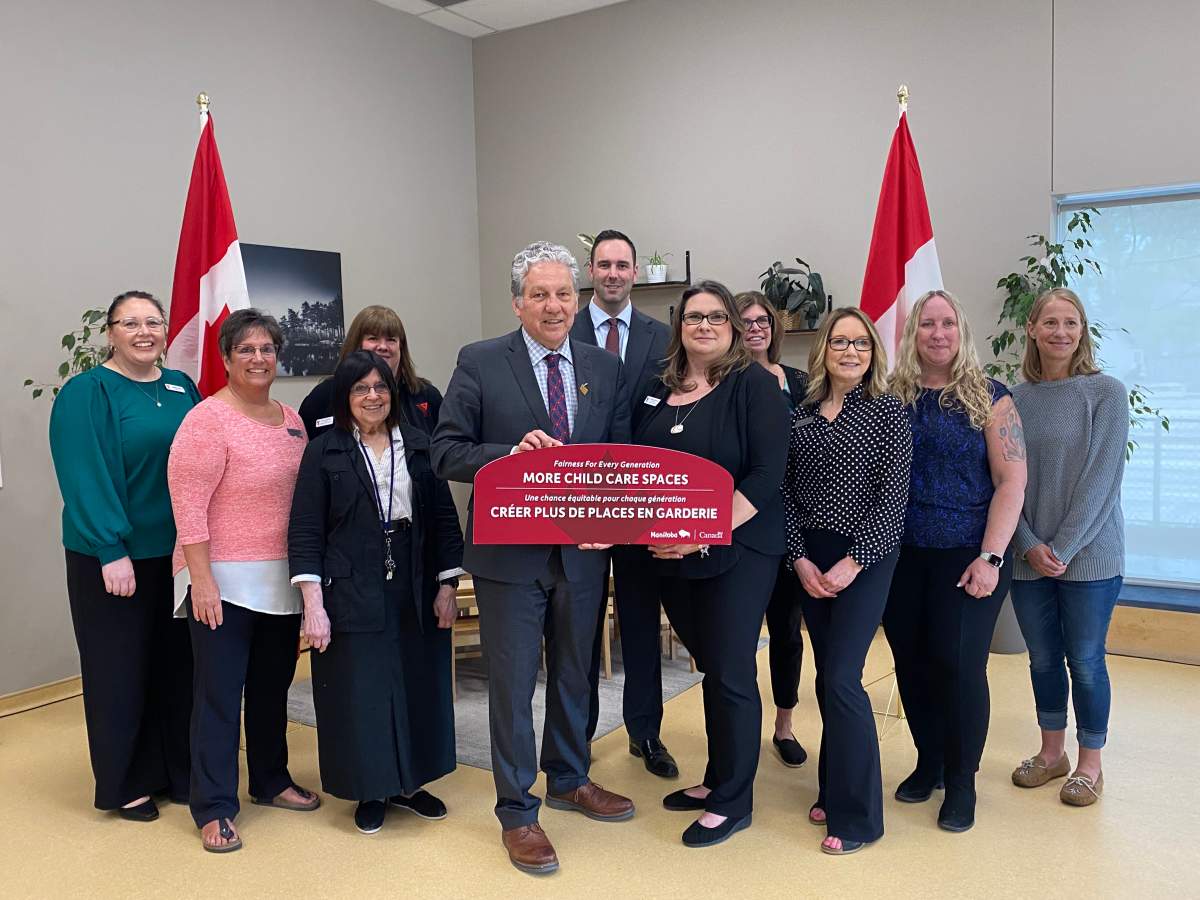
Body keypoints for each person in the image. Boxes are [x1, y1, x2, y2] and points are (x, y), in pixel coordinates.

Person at [431, 241, 634, 875]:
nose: (554, 305)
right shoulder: (481, 361)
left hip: (582, 554)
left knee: (577, 674)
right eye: (540, 294)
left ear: (580, 300)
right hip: (508, 556)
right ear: (518, 303)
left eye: (564, 294)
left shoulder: (604, 366)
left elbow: (620, 458)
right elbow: (445, 451)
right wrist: (508, 455)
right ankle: (518, 813)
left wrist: (615, 523)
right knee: (514, 688)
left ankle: (571, 779)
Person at [630, 280, 788, 848]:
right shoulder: (658, 387)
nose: (703, 325)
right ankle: (718, 777)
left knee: (731, 672)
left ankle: (734, 800)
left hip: (739, 550)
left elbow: (768, 475)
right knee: (711, 669)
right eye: (693, 317)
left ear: (734, 326)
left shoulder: (754, 385)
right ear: (679, 326)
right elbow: (634, 468)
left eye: (715, 316)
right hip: (672, 557)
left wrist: (702, 530)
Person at [289, 351, 466, 835]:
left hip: (413, 575)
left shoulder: (419, 443)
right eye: (361, 389)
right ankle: (370, 788)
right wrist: (313, 607)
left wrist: (447, 585)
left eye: (381, 387)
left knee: (416, 681)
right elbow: (305, 531)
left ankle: (411, 783)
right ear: (345, 398)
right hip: (348, 582)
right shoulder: (323, 450)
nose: (373, 396)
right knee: (359, 689)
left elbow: (445, 519)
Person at [168, 309, 320, 854]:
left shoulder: (292, 419)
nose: (259, 358)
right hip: (222, 580)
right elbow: (188, 505)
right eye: (247, 350)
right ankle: (212, 806)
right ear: (227, 359)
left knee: (270, 688)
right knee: (217, 695)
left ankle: (271, 779)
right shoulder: (206, 420)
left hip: (278, 579)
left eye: (267, 349)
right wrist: (200, 580)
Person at [48, 290, 199, 822]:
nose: (143, 332)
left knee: (178, 668)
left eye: (152, 322)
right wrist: (112, 549)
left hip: (177, 557)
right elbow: (83, 475)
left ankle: (177, 771)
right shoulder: (87, 392)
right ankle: (124, 783)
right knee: (120, 670)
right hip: (112, 558)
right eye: (129, 323)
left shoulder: (182, 386)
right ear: (109, 333)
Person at [883, 290, 1027, 832]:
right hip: (900, 557)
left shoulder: (990, 397)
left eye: (947, 323)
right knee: (912, 663)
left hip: (970, 555)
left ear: (960, 331)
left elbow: (1011, 481)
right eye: (926, 324)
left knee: (959, 666)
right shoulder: (891, 395)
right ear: (912, 333)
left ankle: (961, 782)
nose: (937, 333)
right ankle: (929, 762)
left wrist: (990, 556)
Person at [781, 307, 911, 855]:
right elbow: (784, 494)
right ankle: (831, 788)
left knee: (842, 679)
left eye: (861, 343)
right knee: (827, 676)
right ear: (823, 350)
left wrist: (852, 562)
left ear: (873, 352)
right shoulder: (802, 414)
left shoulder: (888, 414)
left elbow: (893, 501)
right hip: (812, 562)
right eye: (840, 341)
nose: (851, 351)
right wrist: (801, 560)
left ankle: (858, 816)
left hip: (866, 559)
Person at [1008, 287, 1128, 808]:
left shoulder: (1106, 393)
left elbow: (1102, 479)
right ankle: (1051, 753)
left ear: (1083, 331)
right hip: (1028, 554)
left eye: (1071, 323)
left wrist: (1064, 546)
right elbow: (1003, 480)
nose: (1061, 332)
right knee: (1041, 660)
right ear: (1031, 329)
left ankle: (1090, 764)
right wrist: (1031, 545)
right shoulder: (1012, 399)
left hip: (1092, 555)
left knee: (1084, 659)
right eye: (1050, 322)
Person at [571, 228, 676, 777]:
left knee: (639, 622)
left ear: (636, 273)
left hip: (641, 501)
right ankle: (578, 736)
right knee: (582, 625)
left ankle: (646, 733)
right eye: (604, 264)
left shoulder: (664, 338)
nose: (613, 273)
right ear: (592, 271)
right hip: (584, 503)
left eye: (623, 265)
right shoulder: (564, 330)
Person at [734, 290, 810, 768]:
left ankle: (784, 725)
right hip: (743, 521)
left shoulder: (800, 382)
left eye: (763, 320)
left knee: (787, 631)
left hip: (793, 523)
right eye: (746, 321)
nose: (756, 328)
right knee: (737, 636)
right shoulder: (724, 383)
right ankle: (739, 727)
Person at [298, 304, 443, 439]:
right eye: (373, 338)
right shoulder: (323, 396)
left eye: (391, 339)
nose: (383, 346)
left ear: (401, 348)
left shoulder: (426, 396)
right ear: (356, 345)